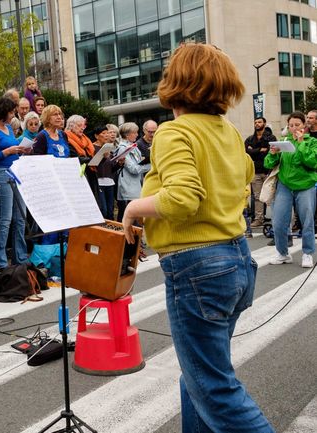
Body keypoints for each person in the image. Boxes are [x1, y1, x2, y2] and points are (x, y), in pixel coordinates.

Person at [122, 43, 274, 433]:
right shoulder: (229, 131)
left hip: (197, 267)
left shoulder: (174, 132)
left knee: (213, 387)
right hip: (237, 258)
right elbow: (244, 178)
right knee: (198, 378)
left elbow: (182, 198)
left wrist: (134, 208)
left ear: (176, 82)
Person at [0, 96, 30, 274]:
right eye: (11, 112)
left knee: (20, 218)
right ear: (3, 112)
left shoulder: (9, 128)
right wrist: (6, 152)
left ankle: (20, 256)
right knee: (4, 219)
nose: (13, 115)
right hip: (0, 174)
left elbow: (12, 150)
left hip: (15, 172)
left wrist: (21, 149)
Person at [265, 111, 317, 268]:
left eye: (297, 125)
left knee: (307, 221)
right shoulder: (283, 141)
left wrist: (300, 143)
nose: (294, 128)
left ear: (304, 125)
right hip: (284, 185)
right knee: (279, 221)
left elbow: (311, 162)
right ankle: (283, 253)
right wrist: (273, 154)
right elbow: (268, 164)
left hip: (305, 185)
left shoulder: (312, 141)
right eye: (291, 125)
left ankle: (307, 253)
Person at [244, 117, 275, 227]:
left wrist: (253, 150)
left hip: (268, 171)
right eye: (255, 122)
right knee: (257, 197)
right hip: (255, 171)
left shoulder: (271, 138)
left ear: (264, 124)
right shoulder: (250, 139)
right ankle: (259, 218)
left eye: (259, 122)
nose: (257, 124)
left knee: (272, 196)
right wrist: (259, 150)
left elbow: (270, 152)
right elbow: (246, 152)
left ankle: (276, 218)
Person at [116, 122, 150, 222]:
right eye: (134, 133)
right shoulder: (122, 148)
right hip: (128, 186)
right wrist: (151, 166)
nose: (137, 135)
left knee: (135, 217)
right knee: (129, 218)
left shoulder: (133, 146)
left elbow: (138, 163)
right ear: (127, 135)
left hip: (136, 185)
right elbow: (134, 169)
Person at [92, 125, 116, 220]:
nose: (106, 135)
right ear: (96, 136)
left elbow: (112, 168)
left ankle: (111, 228)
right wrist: (103, 157)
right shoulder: (92, 147)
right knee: (103, 210)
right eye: (103, 133)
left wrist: (120, 163)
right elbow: (93, 165)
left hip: (110, 182)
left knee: (110, 210)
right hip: (98, 182)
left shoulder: (108, 147)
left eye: (107, 133)